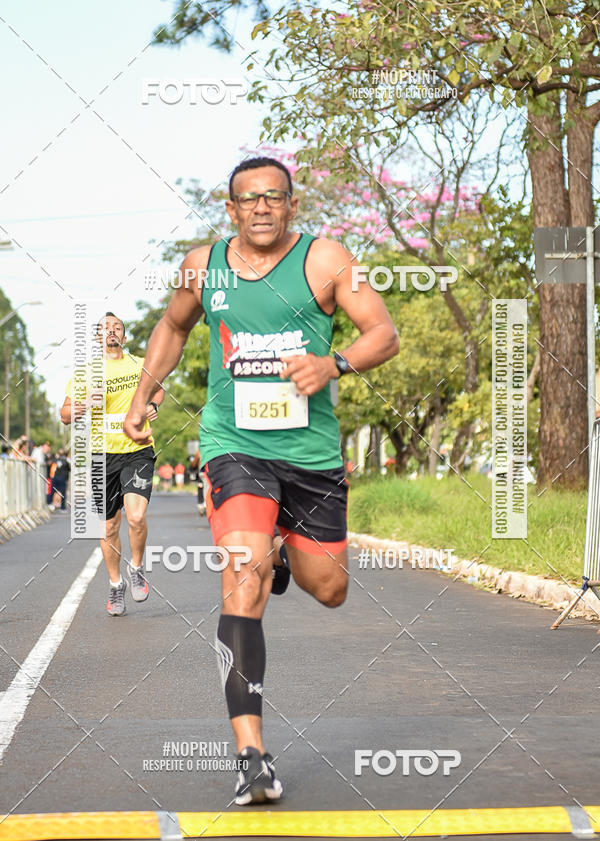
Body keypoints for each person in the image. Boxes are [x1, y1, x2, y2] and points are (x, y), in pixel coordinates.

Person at [123, 156, 398, 803]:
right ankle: (252, 754)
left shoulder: (326, 260)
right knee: (242, 570)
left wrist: (334, 363)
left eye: (275, 196)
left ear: (292, 205)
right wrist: (144, 394)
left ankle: (282, 552)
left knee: (328, 587)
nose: (263, 207)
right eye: (250, 198)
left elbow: (381, 332)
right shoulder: (203, 264)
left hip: (311, 452)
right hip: (235, 443)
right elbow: (173, 325)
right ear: (232, 209)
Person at [60, 312, 164, 616]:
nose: (111, 332)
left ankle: (138, 567)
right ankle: (116, 585)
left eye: (117, 327)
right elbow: (64, 414)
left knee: (136, 517)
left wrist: (152, 404)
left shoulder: (139, 364)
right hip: (101, 456)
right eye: (105, 328)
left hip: (138, 448)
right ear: (97, 337)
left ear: (124, 336)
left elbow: (159, 387)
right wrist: (85, 404)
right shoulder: (86, 373)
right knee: (108, 527)